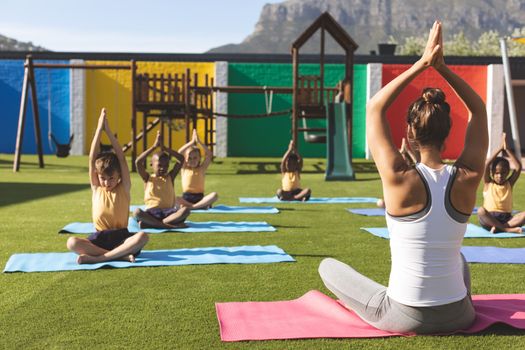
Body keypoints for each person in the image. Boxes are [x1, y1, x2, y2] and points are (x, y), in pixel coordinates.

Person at [319, 21, 488, 334]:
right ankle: (454, 300)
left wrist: (423, 63)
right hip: (461, 315)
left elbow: (375, 108)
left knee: (326, 267)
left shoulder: (398, 177)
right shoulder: (468, 176)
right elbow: (478, 110)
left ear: (410, 133)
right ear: (448, 131)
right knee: (459, 259)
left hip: (404, 314)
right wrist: (444, 68)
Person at [67, 108, 148, 264]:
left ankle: (101, 258)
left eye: (111, 178)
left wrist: (109, 132)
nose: (107, 182)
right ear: (98, 177)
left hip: (122, 238)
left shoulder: (124, 187)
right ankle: (120, 256)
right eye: (103, 178)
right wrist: (99, 128)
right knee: (72, 242)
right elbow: (92, 160)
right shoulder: (97, 188)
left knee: (142, 236)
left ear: (119, 177)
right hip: (100, 238)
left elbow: (122, 159)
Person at [133, 131, 191, 228]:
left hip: (169, 213)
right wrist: (154, 147)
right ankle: (168, 225)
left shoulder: (170, 177)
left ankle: (156, 224)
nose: (163, 168)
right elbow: (138, 162)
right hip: (152, 213)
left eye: (166, 165)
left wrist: (166, 149)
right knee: (137, 212)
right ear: (151, 165)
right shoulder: (147, 178)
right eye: (159, 165)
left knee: (186, 210)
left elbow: (181, 159)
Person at [478, 133, 524, 233]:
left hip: (507, 220)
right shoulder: (488, 183)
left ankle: (500, 228)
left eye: (503, 173)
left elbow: (518, 167)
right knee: (481, 211)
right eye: (497, 173)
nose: (500, 176)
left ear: (508, 172)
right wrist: (499, 148)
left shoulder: (509, 183)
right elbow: (486, 165)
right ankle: (506, 229)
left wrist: (506, 149)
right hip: (489, 218)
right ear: (492, 173)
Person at [176, 129, 218, 209]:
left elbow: (209, 154)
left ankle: (193, 207)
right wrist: (192, 142)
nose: (192, 160)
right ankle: (199, 206)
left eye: (195, 158)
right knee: (175, 198)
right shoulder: (184, 168)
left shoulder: (202, 168)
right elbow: (179, 152)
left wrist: (199, 142)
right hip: (186, 198)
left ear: (199, 159)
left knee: (214, 195)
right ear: (185, 159)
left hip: (200, 198)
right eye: (190, 158)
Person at [376, 137, 420, 208]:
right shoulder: (398, 171)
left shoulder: (412, 171)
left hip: (409, 198)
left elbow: (417, 163)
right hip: (399, 198)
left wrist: (407, 151)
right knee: (380, 203)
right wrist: (404, 150)